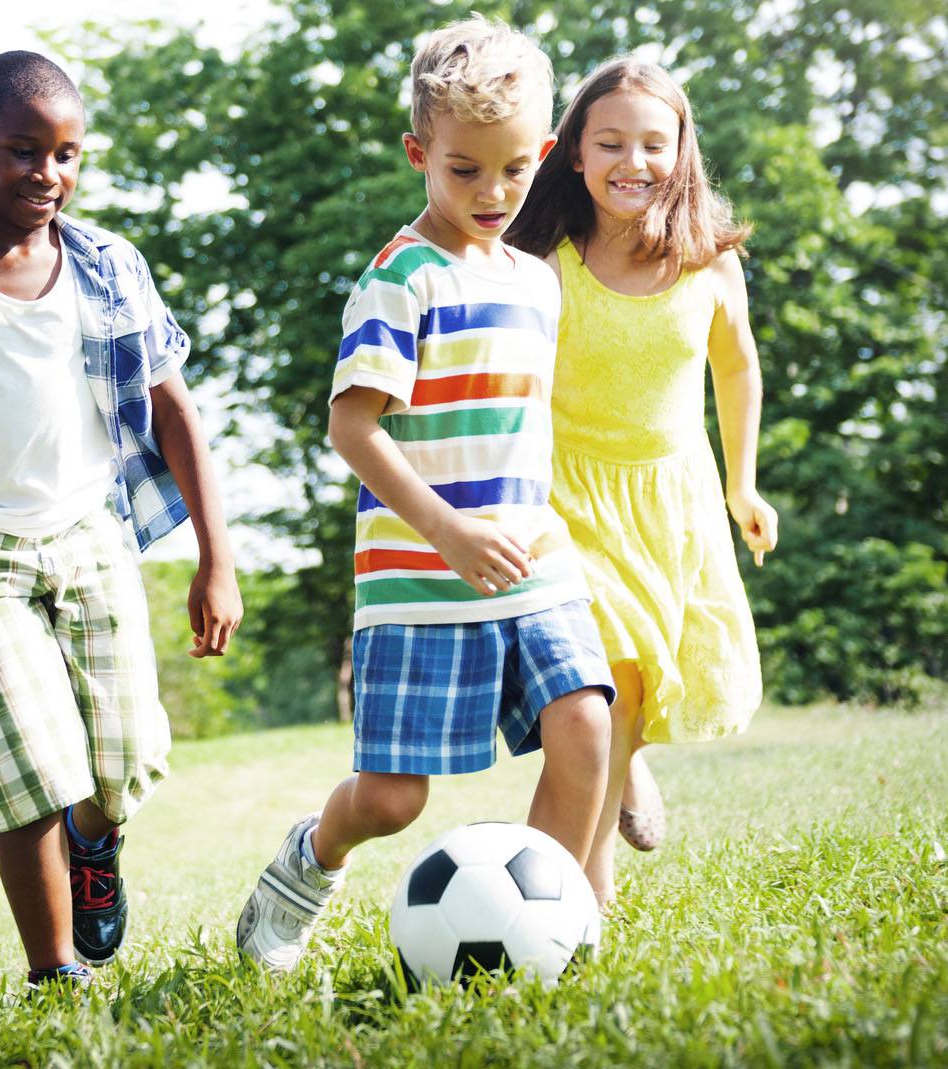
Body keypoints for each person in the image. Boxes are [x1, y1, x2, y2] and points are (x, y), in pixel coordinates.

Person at [0, 51, 241, 990]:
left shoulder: (108, 266)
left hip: (91, 533)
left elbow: (174, 409)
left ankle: (93, 844)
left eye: (67, 155)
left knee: (126, 764)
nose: (47, 175)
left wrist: (215, 559)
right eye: (23, 151)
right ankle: (53, 971)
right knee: (28, 763)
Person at [235, 16, 614, 971]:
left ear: (549, 159)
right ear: (420, 155)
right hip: (422, 575)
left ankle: (551, 928)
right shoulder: (400, 279)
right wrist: (446, 530)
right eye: (464, 171)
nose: (493, 194)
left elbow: (525, 424)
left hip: (532, 560)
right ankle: (303, 865)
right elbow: (351, 427)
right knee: (393, 797)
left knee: (585, 726)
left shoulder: (538, 281)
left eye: (515, 170)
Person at [505, 58, 777, 901]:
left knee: (643, 675)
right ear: (574, 155)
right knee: (608, 681)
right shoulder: (548, 264)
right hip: (566, 502)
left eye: (654, 144)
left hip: (671, 499)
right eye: (611, 142)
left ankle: (627, 771)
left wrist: (744, 485)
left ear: (682, 151)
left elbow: (736, 370)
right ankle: (584, 896)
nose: (634, 161)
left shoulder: (709, 266)